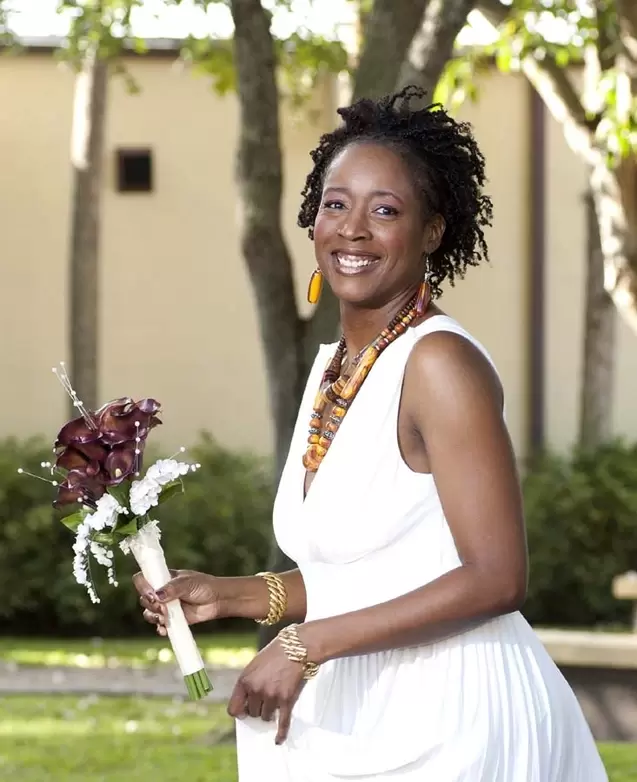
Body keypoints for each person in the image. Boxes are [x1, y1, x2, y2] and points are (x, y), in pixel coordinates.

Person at [134, 86, 607, 781]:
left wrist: (305, 644)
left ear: (432, 231)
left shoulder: (440, 364)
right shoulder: (335, 366)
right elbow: (380, 570)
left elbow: (497, 577)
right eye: (336, 204)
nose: (352, 229)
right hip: (356, 709)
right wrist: (232, 594)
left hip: (453, 714)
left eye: (384, 210)